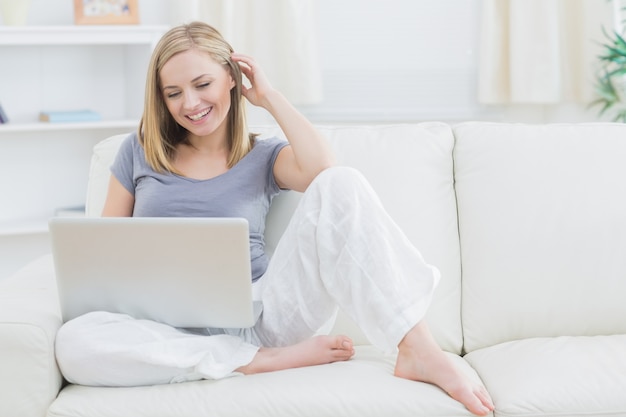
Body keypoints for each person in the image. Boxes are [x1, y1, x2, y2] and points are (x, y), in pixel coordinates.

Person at [54, 21, 494, 415]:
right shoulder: (138, 152)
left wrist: (269, 97)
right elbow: (106, 254)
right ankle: (251, 363)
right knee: (74, 343)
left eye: (202, 83)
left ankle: (417, 349)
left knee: (342, 182)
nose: (190, 103)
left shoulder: (262, 154)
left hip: (264, 316)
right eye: (173, 93)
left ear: (232, 76)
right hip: (165, 329)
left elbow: (326, 172)